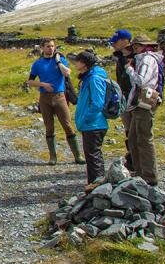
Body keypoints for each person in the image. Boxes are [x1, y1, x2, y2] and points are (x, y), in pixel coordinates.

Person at [27, 37, 84, 165]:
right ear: (42, 48)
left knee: (68, 126)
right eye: (47, 46)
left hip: (60, 96)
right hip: (45, 98)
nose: (50, 48)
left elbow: (67, 73)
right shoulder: (38, 63)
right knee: (49, 127)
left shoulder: (60, 60)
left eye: (52, 46)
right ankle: (53, 157)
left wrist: (58, 62)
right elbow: (30, 81)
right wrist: (42, 84)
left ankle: (78, 156)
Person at [125, 34, 164, 186]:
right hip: (139, 103)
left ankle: (149, 177)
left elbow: (141, 80)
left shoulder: (147, 59)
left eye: (137, 46)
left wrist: (129, 70)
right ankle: (140, 173)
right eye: (134, 46)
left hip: (144, 103)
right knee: (134, 139)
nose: (135, 49)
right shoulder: (145, 58)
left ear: (145, 46)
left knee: (144, 140)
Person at [73, 50, 108, 186]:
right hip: (91, 124)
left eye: (77, 61)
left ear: (84, 63)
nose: (75, 63)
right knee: (92, 156)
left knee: (94, 157)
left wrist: (86, 118)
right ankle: (95, 185)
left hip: (94, 124)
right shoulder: (88, 77)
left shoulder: (94, 78)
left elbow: (97, 103)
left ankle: (97, 187)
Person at [109, 29, 134, 170]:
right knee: (128, 129)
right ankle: (131, 158)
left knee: (136, 130)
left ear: (125, 41)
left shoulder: (136, 57)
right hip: (124, 98)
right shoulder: (120, 57)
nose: (113, 44)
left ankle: (138, 161)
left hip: (136, 99)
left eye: (116, 41)